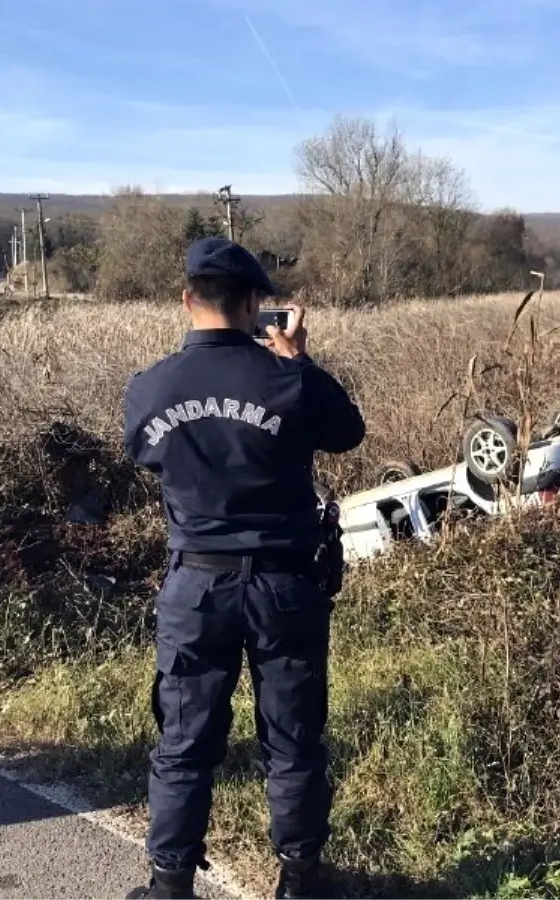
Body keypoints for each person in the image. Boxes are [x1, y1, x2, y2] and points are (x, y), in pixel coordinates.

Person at [122, 237, 365, 900]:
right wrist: (300, 363)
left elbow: (141, 452)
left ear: (187, 300)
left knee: (183, 738)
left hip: (195, 584)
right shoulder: (286, 378)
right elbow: (348, 431)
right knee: (291, 739)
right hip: (284, 584)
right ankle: (300, 883)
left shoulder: (151, 386)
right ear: (258, 304)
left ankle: (169, 888)